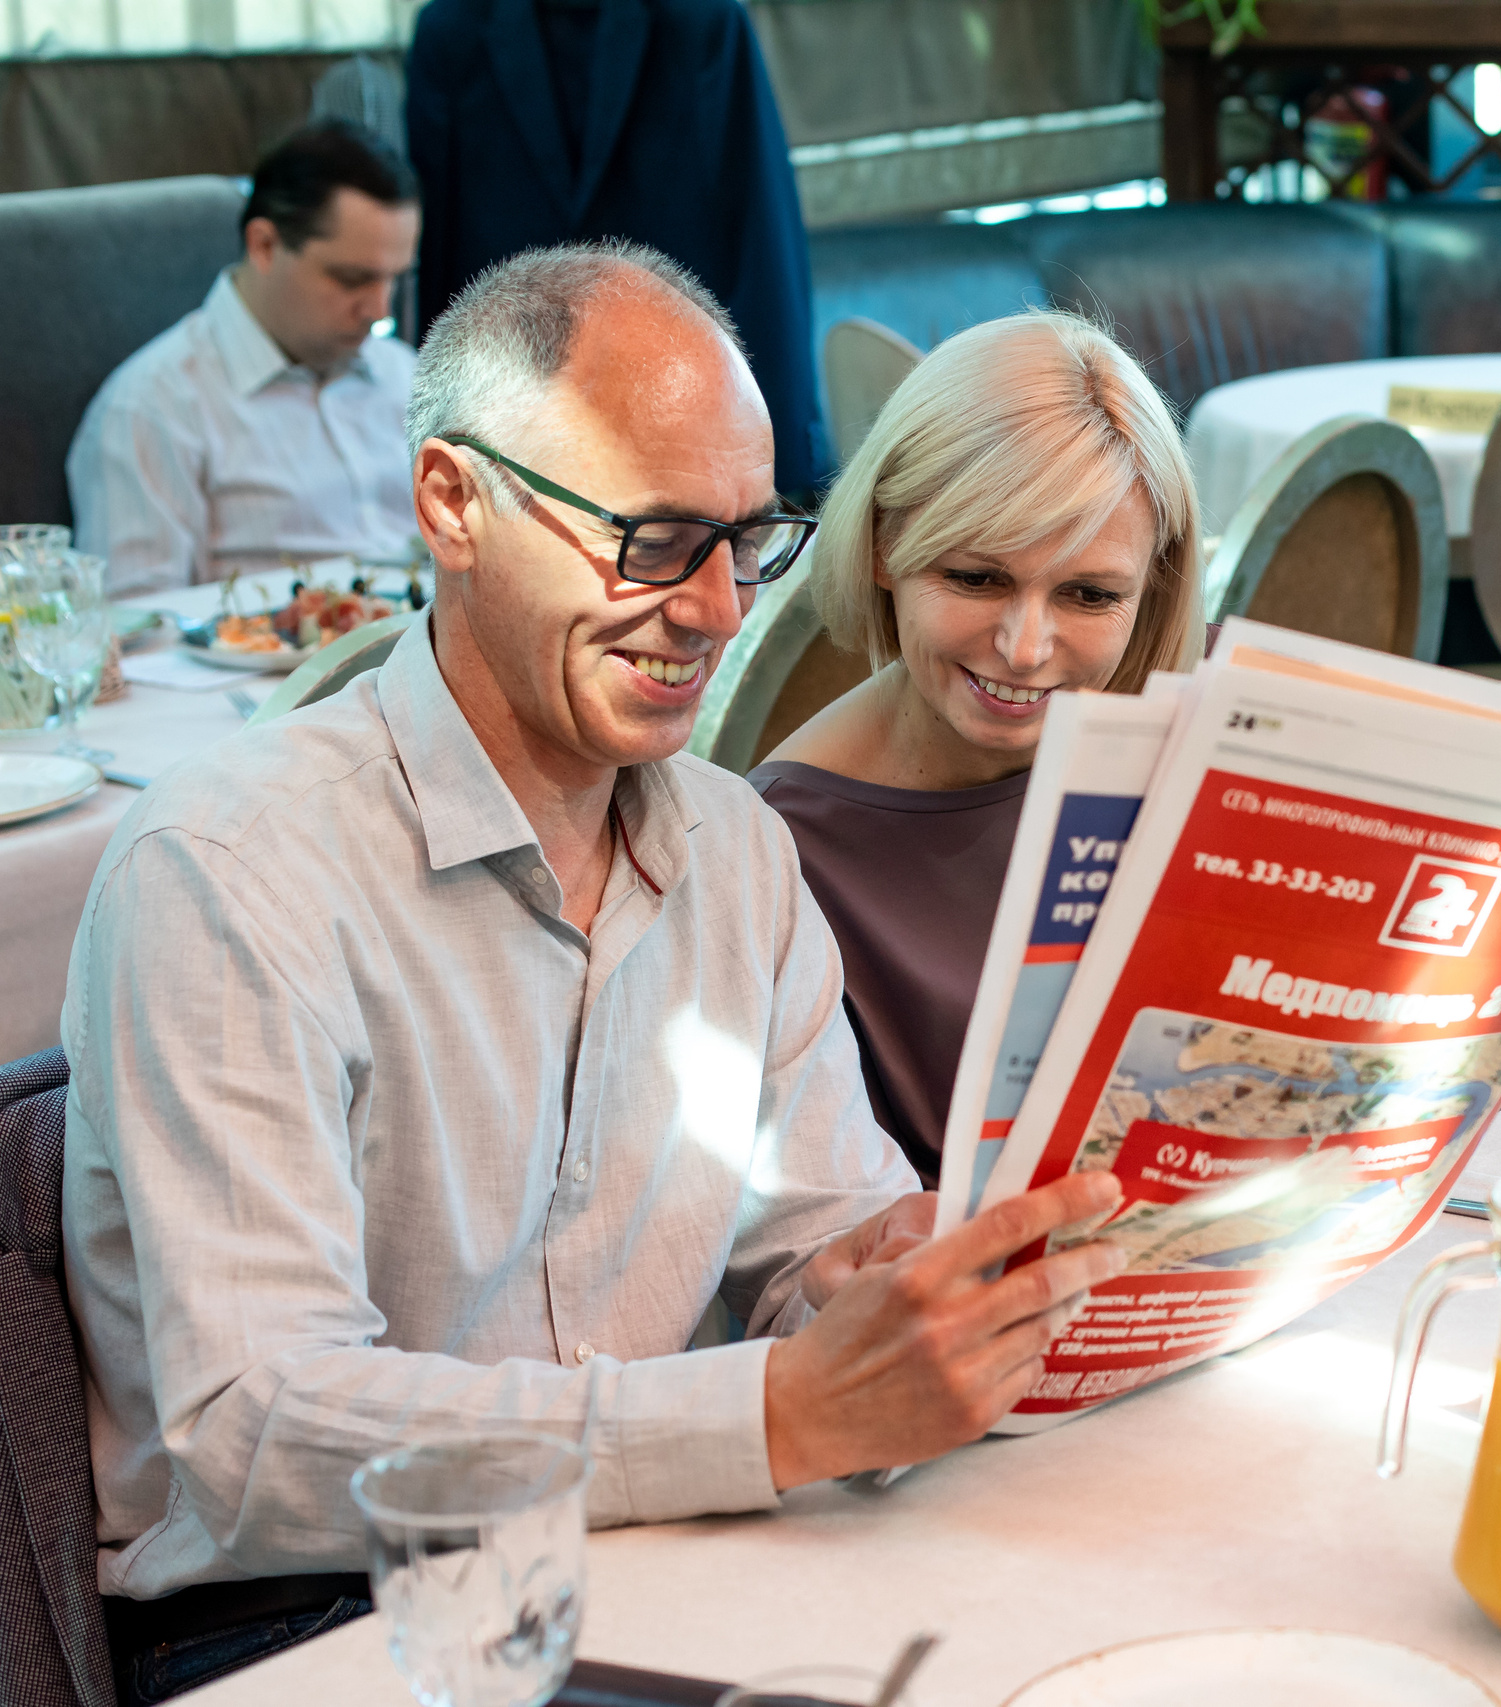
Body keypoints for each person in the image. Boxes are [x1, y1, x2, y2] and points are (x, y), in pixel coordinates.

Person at [60, 241, 1125, 1702]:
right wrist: (772, 1414)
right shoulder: (230, 868)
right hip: (306, 1624)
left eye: (749, 542)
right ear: (453, 501)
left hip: (656, 1564)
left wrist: (890, 1281)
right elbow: (257, 1428)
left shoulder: (738, 851)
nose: (718, 610)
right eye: (653, 539)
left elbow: (813, 1236)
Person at [749, 312, 1204, 1184]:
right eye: (976, 577)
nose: (1027, 647)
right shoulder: (783, 849)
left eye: (1089, 593)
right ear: (884, 545)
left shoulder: (1217, 723)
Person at [406, 0, 830, 499]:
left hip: (679, 399)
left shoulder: (704, 22)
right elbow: (436, 246)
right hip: (515, 405)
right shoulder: (451, 32)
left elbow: (760, 231)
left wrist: (786, 452)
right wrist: (435, 422)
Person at [67, 120, 423, 595]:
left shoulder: (408, 374)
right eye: (351, 279)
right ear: (264, 245)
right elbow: (138, 632)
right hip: (282, 664)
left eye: (394, 279)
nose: (379, 311)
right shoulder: (154, 407)